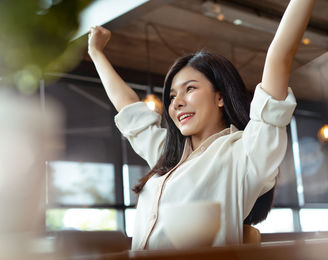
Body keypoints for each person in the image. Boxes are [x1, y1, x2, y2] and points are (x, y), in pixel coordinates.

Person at [87, 0, 315, 250]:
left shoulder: (246, 153)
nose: (177, 104)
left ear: (220, 97)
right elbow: (128, 106)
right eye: (172, 97)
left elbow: (279, 57)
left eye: (190, 89)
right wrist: (96, 54)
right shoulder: (166, 155)